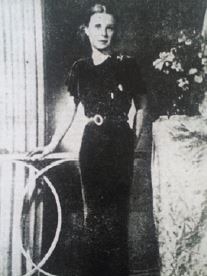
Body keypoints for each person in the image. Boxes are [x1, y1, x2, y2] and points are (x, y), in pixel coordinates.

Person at [29, 3, 147, 276]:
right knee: (93, 217)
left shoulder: (126, 64)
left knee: (117, 218)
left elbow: (142, 106)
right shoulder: (79, 69)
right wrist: (50, 145)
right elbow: (70, 109)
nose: (104, 33)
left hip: (120, 143)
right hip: (92, 143)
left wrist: (133, 141)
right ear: (86, 30)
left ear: (114, 32)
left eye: (109, 28)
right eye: (98, 26)